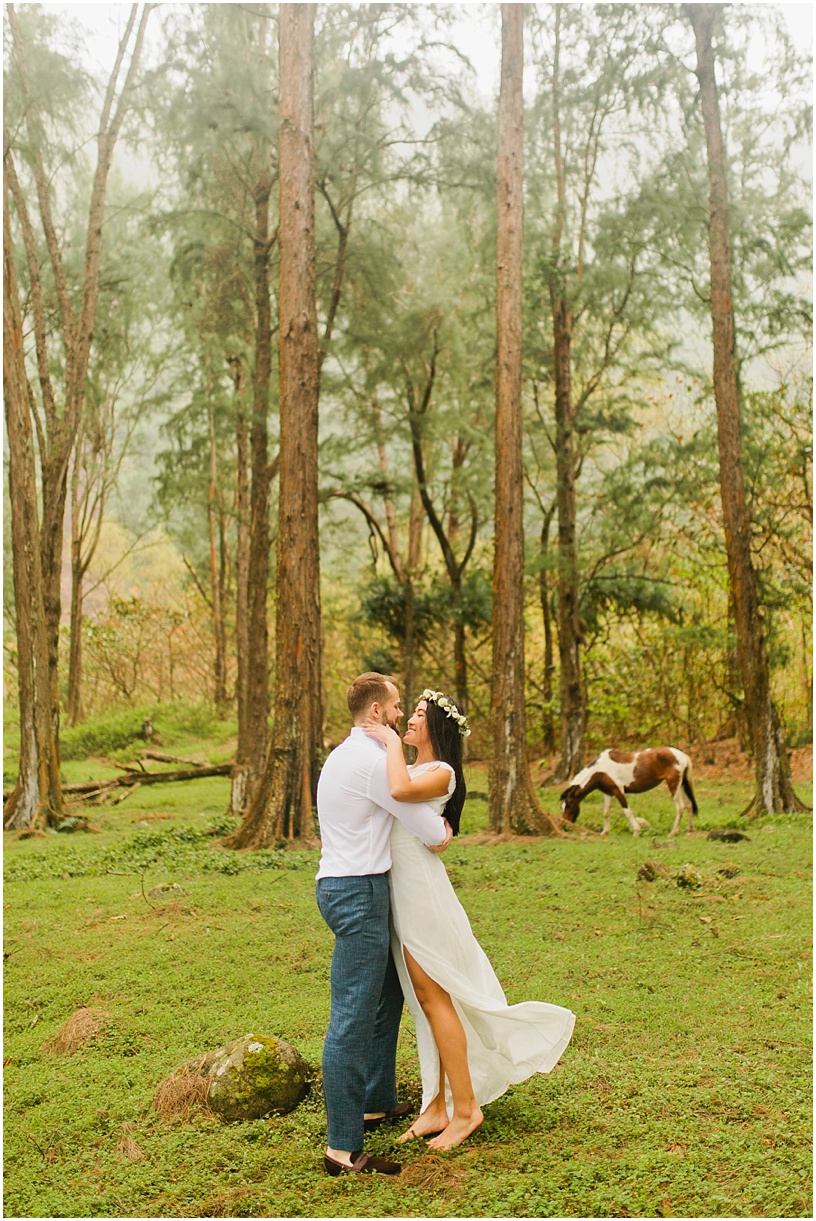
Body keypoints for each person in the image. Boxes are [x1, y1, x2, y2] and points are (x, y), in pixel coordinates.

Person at [363, 689, 576, 1151]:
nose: (409, 721)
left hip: (421, 892)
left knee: (436, 996)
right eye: (411, 713)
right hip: (400, 892)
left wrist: (389, 743)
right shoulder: (417, 766)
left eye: (418, 715)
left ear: (438, 727)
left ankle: (466, 1109)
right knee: (423, 1000)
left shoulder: (442, 772)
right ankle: (436, 1105)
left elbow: (398, 792)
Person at [314, 672, 453, 1178]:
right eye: (395, 707)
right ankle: (343, 1148)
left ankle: (374, 1098)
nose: (399, 715)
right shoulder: (374, 764)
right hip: (359, 892)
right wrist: (446, 826)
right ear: (376, 712)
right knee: (352, 1013)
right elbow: (431, 832)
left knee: (388, 990)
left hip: (343, 884)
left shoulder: (341, 753)